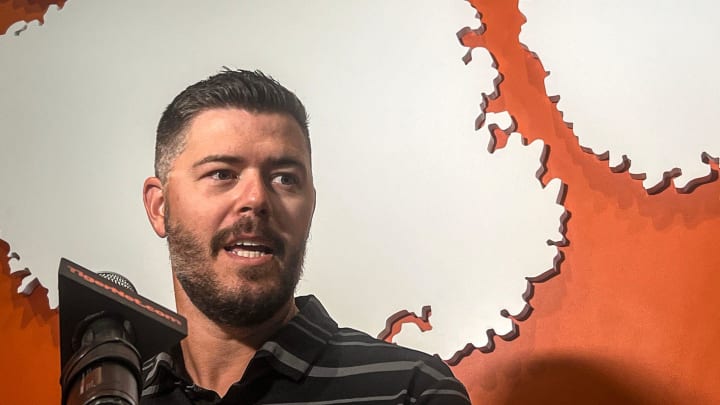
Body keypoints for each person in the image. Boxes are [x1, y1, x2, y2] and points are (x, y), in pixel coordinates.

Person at [140, 69, 471, 404]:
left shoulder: (412, 390)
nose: (256, 199)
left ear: (310, 206)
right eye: (222, 174)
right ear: (159, 207)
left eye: (285, 178)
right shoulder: (113, 393)